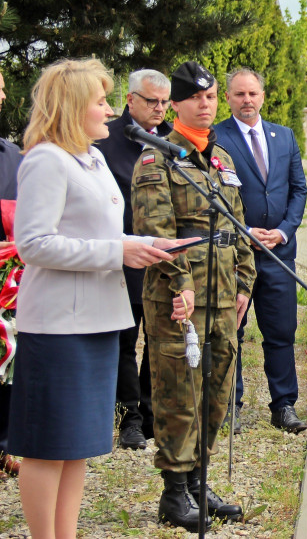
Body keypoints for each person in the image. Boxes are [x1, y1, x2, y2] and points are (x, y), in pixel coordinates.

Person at [10, 58, 180, 538]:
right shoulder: (45, 159)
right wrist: (117, 251)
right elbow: (33, 243)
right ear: (71, 107)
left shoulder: (93, 157)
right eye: (101, 101)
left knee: (79, 445)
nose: (109, 111)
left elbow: (101, 232)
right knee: (47, 447)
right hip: (60, 325)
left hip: (99, 320)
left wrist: (145, 245)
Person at [132, 60, 256, 530]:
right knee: (178, 395)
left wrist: (245, 284)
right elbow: (155, 232)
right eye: (196, 98)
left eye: (210, 97)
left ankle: (200, 483)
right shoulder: (157, 158)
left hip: (224, 296)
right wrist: (180, 284)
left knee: (215, 391)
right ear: (176, 106)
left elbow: (238, 227)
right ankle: (174, 494)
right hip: (179, 301)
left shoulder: (220, 159)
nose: (206, 104)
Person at [214, 68, 307, 434]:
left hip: (279, 255)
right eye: (239, 94)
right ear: (228, 98)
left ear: (263, 96)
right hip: (235, 255)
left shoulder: (283, 136)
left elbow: (298, 190)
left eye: (253, 93)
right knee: (230, 330)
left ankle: (283, 405)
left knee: (281, 331)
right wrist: (244, 231)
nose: (247, 100)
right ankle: (228, 406)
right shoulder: (215, 138)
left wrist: (284, 232)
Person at [94, 68, 174, 451]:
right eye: (151, 101)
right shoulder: (106, 141)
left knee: (158, 340)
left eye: (164, 102)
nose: (159, 109)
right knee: (126, 341)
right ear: (130, 100)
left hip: (163, 258)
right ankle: (129, 419)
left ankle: (151, 412)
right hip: (122, 257)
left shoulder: (174, 142)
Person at [0, 69, 22, 480]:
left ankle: (2, 445)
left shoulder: (12, 156)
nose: (3, 97)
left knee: (7, 363)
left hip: (9, 282)